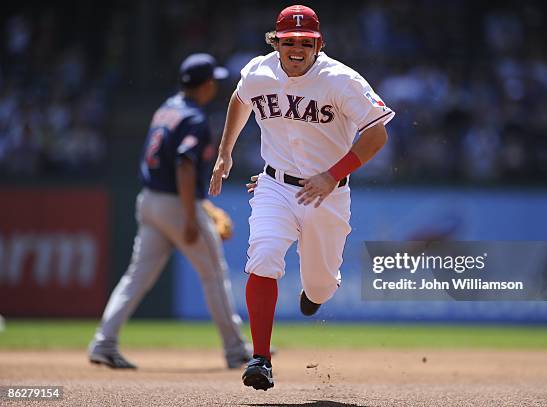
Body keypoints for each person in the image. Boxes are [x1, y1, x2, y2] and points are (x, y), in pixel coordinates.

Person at [209, 5, 394, 390]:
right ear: (275, 42)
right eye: (288, 41)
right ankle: (260, 358)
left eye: (305, 42)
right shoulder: (259, 71)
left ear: (319, 44)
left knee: (322, 284)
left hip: (327, 192)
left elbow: (377, 135)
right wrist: (225, 152)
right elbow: (240, 99)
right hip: (273, 185)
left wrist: (332, 175)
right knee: (263, 254)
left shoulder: (342, 80)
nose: (296, 48)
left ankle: (314, 294)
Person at [89, 53, 251, 370]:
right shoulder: (195, 118)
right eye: (213, 81)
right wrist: (192, 216)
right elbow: (185, 163)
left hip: (149, 201)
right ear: (204, 85)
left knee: (135, 277)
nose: (215, 86)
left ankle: (103, 342)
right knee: (214, 274)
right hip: (177, 205)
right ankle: (236, 350)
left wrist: (199, 206)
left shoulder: (166, 109)